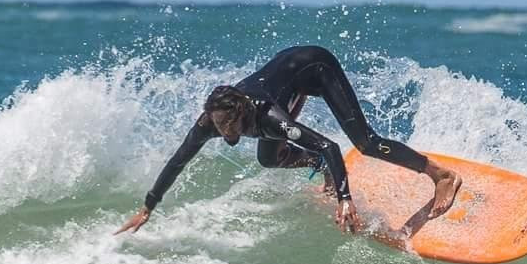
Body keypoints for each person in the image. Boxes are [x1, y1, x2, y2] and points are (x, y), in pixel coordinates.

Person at [115, 45, 461, 235]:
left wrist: (345, 199)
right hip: (286, 78)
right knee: (269, 158)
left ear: (239, 115)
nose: (221, 132)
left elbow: (330, 145)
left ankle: (440, 175)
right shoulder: (211, 121)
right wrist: (148, 206)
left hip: (314, 68)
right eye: (216, 124)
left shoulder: (266, 117)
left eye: (225, 125)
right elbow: (178, 160)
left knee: (365, 142)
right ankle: (318, 168)